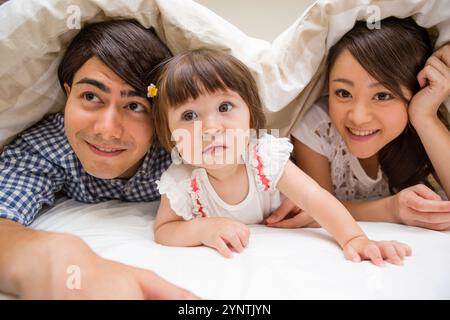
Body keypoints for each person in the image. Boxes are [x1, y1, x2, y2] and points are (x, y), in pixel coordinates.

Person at [151, 48, 411, 265]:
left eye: (224, 107)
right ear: (169, 133)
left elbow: (314, 197)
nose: (210, 128)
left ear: (250, 116)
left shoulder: (263, 157)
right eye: (189, 116)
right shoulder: (182, 182)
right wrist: (202, 229)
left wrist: (353, 239)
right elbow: (164, 230)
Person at [0, 20, 197, 299]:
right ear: (68, 94)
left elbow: (248, 158)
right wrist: (54, 259)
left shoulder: (182, 146)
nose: (107, 130)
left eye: (134, 105)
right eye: (91, 96)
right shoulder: (46, 148)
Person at [265, 17, 450, 231]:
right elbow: (314, 212)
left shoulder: (421, 126)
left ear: (416, 91)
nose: (358, 117)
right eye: (343, 93)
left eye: (382, 96)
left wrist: (424, 116)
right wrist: (390, 210)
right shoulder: (317, 127)